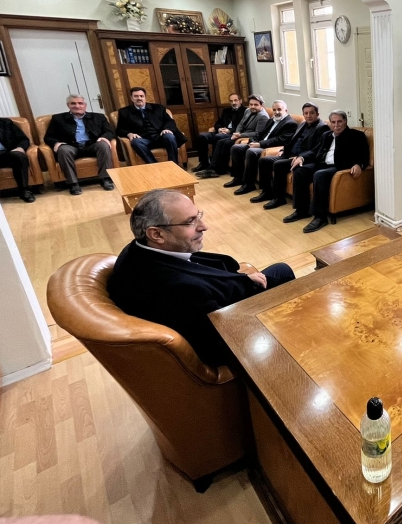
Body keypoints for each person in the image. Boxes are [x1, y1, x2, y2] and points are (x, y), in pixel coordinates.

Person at [106, 189, 295, 367]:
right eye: (190, 222)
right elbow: (222, 347)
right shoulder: (181, 291)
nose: (204, 226)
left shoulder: (137, 251)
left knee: (280, 269)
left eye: (199, 216)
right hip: (239, 322)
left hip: (220, 304)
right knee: (285, 275)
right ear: (157, 234)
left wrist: (242, 278)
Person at [283, 110, 369, 233]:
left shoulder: (356, 136)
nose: (336, 125)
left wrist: (359, 164)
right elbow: (314, 151)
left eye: (339, 122)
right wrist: (301, 157)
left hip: (339, 167)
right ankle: (302, 210)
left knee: (320, 175)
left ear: (345, 121)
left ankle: (320, 217)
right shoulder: (327, 135)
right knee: (300, 171)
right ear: (330, 123)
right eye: (333, 122)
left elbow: (364, 155)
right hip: (321, 164)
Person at [251, 103, 330, 207]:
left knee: (278, 165)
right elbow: (292, 140)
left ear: (317, 114)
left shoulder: (322, 128)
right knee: (264, 161)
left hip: (302, 158)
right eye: (306, 113)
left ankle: (279, 198)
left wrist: (300, 157)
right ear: (303, 114)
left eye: (311, 113)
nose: (308, 115)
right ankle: (267, 192)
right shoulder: (303, 124)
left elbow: (316, 149)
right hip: (290, 154)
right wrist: (284, 149)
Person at [43, 94, 116, 195]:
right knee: (63, 150)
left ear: (85, 105)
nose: (77, 106)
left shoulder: (98, 117)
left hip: (92, 145)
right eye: (73, 103)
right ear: (68, 105)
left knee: (103, 145)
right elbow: (49, 137)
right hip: (71, 146)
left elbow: (109, 131)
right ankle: (73, 183)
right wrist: (56, 143)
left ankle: (105, 179)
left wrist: (104, 138)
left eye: (80, 103)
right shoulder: (58, 119)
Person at [225, 100, 297, 193]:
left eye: (279, 109)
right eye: (274, 110)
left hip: (269, 147)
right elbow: (260, 133)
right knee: (236, 148)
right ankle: (238, 178)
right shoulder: (271, 120)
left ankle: (249, 184)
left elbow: (280, 140)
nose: (276, 112)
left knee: (251, 152)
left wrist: (260, 144)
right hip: (259, 144)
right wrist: (252, 141)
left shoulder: (290, 123)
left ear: (286, 110)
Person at [194, 95, 269, 179]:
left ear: (261, 105)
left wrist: (240, 135)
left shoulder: (263, 116)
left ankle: (217, 169)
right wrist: (236, 133)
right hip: (239, 134)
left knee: (225, 142)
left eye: (256, 105)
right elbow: (241, 124)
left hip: (248, 137)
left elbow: (258, 133)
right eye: (251, 104)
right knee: (220, 142)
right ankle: (212, 168)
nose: (252, 107)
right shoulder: (248, 111)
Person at [115, 87, 187, 165]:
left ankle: (173, 164)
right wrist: (129, 134)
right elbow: (119, 129)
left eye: (141, 96)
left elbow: (170, 121)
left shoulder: (158, 108)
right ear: (131, 98)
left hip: (160, 137)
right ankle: (155, 165)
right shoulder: (124, 112)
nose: (139, 98)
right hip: (144, 139)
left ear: (145, 97)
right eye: (136, 96)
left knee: (169, 136)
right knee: (136, 142)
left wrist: (167, 129)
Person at [192, 94, 244, 173]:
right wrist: (219, 128)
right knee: (201, 136)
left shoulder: (245, 112)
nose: (233, 103)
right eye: (231, 101)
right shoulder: (226, 111)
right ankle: (204, 163)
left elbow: (242, 126)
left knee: (218, 137)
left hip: (232, 134)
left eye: (235, 100)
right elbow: (218, 123)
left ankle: (214, 165)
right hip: (221, 132)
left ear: (240, 101)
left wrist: (229, 130)